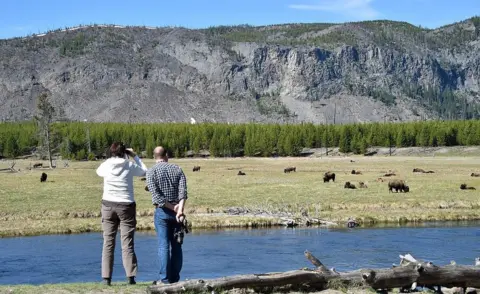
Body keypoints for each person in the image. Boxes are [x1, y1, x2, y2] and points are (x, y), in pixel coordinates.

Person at [96, 142, 148, 286]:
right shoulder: (129, 165)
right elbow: (145, 171)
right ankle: (130, 277)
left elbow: (98, 171)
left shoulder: (106, 165)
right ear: (124, 152)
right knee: (127, 243)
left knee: (108, 242)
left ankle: (106, 279)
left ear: (111, 152)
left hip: (107, 205)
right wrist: (135, 156)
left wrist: (109, 158)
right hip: (126, 206)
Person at [146, 146, 188, 285]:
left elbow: (157, 198)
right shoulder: (177, 169)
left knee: (163, 246)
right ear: (167, 155)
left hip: (162, 212)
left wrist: (173, 208)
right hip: (178, 214)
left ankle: (165, 279)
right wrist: (179, 209)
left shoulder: (151, 172)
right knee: (177, 246)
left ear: (154, 157)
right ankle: (175, 278)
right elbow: (183, 192)